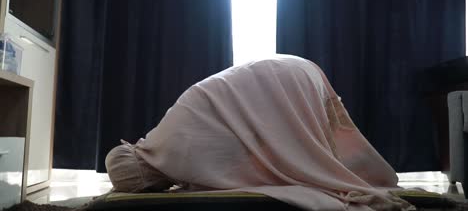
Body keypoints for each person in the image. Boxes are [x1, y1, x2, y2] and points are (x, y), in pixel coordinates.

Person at [105, 55, 414, 211]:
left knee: (305, 158)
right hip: (292, 69)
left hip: (284, 80)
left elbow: (242, 170)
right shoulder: (166, 131)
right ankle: (368, 171)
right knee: (318, 147)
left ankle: (356, 173)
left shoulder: (175, 152)